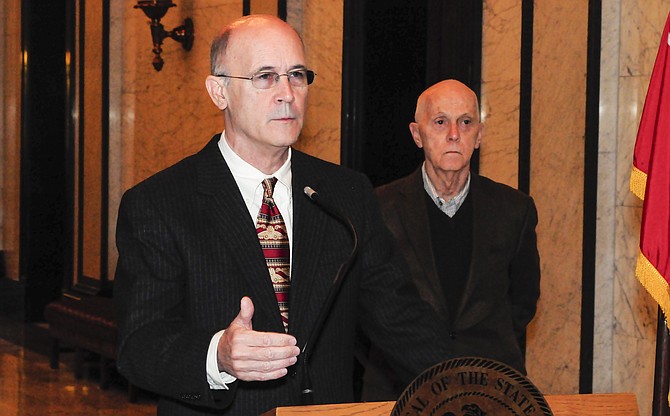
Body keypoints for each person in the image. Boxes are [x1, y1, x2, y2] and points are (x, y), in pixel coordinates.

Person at [114, 15, 450, 415]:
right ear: (219, 91)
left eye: (296, 75)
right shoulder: (160, 203)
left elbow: (402, 319)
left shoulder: (346, 194)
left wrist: (481, 389)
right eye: (265, 77)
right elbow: (140, 344)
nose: (287, 93)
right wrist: (217, 355)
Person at [361, 79, 541, 400]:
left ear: (480, 135)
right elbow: (364, 308)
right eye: (441, 122)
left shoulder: (515, 210)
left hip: (492, 389)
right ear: (418, 135)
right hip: (399, 391)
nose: (454, 134)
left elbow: (523, 301)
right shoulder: (378, 208)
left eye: (466, 122)